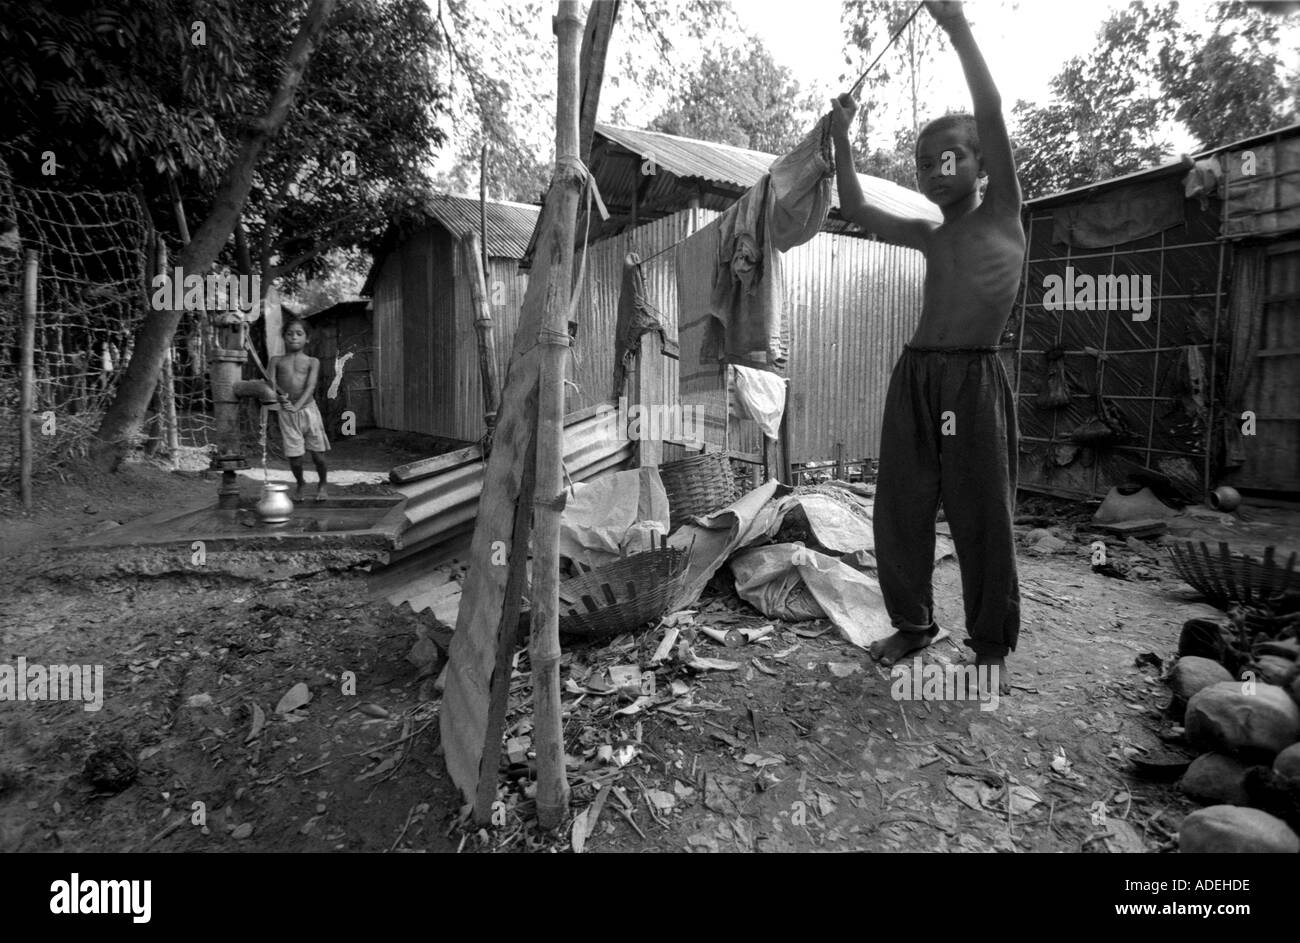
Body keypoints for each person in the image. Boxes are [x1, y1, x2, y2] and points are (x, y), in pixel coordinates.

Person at [830, 0, 1023, 693]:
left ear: (982, 164)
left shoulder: (1004, 214)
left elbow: (991, 106)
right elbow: (853, 207)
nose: (934, 169)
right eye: (923, 162)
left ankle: (990, 644)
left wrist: (954, 24)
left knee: (981, 511)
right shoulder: (930, 233)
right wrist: (841, 139)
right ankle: (913, 624)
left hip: (973, 381)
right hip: (916, 378)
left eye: (949, 157)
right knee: (899, 505)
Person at [270, 318, 330, 501]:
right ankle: (301, 483)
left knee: (318, 456)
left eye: (299, 333)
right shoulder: (276, 361)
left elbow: (311, 386)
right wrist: (278, 396)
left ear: (307, 339)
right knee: (294, 458)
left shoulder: (312, 361)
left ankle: (322, 483)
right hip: (287, 413)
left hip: (308, 411)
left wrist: (297, 406)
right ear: (283, 337)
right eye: (289, 334)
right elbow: (270, 384)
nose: (294, 337)